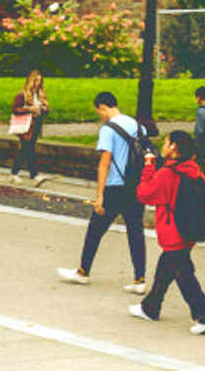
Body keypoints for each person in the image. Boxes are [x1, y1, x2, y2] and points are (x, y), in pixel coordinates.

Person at [128, 130, 205, 333]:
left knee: (183, 273)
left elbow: (144, 194)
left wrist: (148, 167)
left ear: (174, 147)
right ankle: (150, 307)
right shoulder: (193, 169)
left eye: (166, 143)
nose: (163, 146)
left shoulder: (168, 174)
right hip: (189, 229)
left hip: (172, 230)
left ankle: (204, 315)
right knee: (166, 269)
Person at [57, 91, 148, 293]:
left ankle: (83, 272)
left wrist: (99, 195)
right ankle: (140, 279)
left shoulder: (108, 129)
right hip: (136, 186)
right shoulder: (139, 126)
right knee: (135, 231)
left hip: (115, 187)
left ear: (103, 107)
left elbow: (105, 162)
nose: (100, 116)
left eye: (99, 112)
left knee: (95, 229)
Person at [10, 70, 48, 184]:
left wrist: (44, 109)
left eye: (40, 81)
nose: (38, 83)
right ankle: (14, 173)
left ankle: (33, 174)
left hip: (36, 123)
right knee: (25, 148)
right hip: (26, 125)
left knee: (31, 148)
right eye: (36, 80)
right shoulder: (22, 94)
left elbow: (46, 110)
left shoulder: (40, 95)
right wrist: (28, 109)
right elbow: (15, 109)